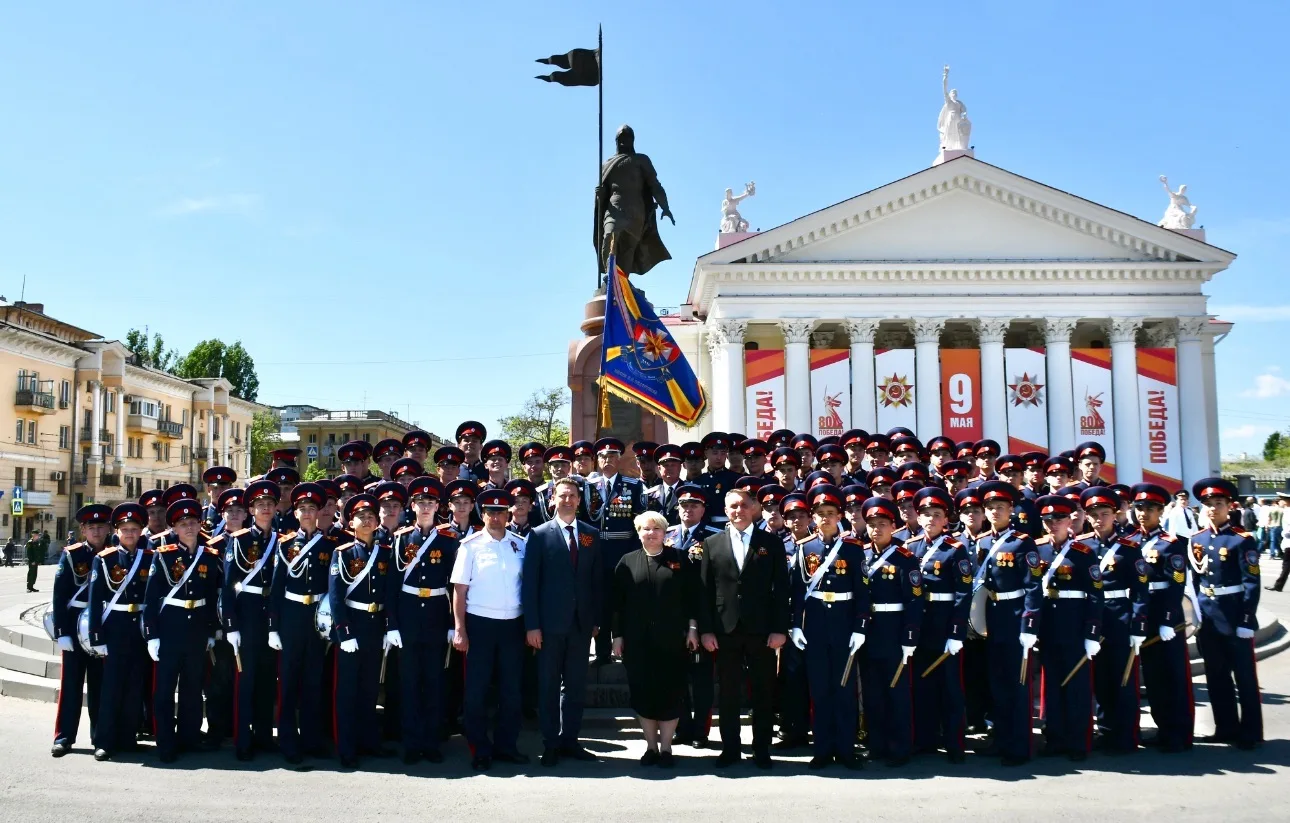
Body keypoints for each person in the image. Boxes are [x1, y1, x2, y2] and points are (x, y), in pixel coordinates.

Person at [698, 489, 789, 769]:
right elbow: (704, 592)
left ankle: (762, 749)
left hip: (761, 629)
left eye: (743, 506)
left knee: (762, 692)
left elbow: (781, 589)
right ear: (725, 511)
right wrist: (706, 630)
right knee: (728, 693)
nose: (738, 511)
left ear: (754, 508)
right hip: (725, 629)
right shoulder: (712, 544)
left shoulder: (771, 543)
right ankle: (731, 749)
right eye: (732, 507)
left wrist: (779, 628)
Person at [522, 476, 603, 766]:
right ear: (552, 500)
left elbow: (595, 582)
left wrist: (594, 621)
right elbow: (530, 584)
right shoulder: (540, 534)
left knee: (576, 686)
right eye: (562, 495)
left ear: (579, 500)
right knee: (548, 685)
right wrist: (532, 625)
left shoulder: (591, 534)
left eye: (572, 496)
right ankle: (551, 742)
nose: (567, 500)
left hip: (581, 626)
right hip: (548, 627)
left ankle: (571, 740)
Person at [612, 510, 702, 767]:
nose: (651, 533)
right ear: (638, 532)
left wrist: (693, 628)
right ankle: (650, 747)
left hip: (672, 639)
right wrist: (617, 636)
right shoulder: (627, 561)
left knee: (671, 692)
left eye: (656, 529)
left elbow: (692, 598)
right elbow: (617, 605)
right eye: (645, 529)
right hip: (637, 641)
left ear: (665, 532)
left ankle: (666, 749)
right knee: (643, 692)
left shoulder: (680, 559)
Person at [788, 485, 869, 770]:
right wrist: (796, 626)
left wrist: (860, 628)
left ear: (839, 517)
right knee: (820, 691)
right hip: (816, 628)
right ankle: (822, 749)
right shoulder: (804, 547)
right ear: (813, 517)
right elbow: (798, 592)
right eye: (820, 514)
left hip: (845, 626)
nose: (825, 518)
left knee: (844, 690)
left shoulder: (853, 549)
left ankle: (846, 749)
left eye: (830, 513)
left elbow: (862, 592)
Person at [451, 488, 529, 771]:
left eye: (501, 512)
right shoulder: (470, 545)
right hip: (480, 624)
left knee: (511, 690)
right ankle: (480, 748)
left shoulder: (520, 544)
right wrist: (460, 629)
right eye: (491, 512)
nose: (496, 517)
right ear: (481, 514)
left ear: (509, 514)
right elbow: (460, 589)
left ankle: (507, 746)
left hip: (513, 625)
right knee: (477, 691)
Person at [143, 498, 221, 763]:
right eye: (183, 524)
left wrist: (211, 630)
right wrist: (152, 634)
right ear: (174, 528)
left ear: (200, 525)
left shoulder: (209, 557)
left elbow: (211, 597)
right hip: (170, 629)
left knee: (192, 687)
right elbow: (151, 597)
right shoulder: (163, 556)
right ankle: (166, 741)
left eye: (193, 523)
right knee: (165, 689)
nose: (189, 527)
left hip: (197, 630)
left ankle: (188, 736)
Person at [387, 476, 458, 765]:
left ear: (438, 506)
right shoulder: (401, 539)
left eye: (430, 502)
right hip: (407, 616)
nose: (425, 506)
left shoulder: (449, 540)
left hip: (436, 617)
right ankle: (411, 742)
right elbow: (392, 584)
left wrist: (454, 623)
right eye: (420, 502)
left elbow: (455, 585)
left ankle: (431, 742)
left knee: (434, 681)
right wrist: (391, 624)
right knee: (409, 682)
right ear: (412, 506)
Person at [1190, 478, 1263, 750]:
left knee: (1244, 678)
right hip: (1209, 618)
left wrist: (1246, 618)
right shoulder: (1197, 539)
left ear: (1229, 506)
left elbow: (1252, 583)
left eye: (1217, 504)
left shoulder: (1241, 540)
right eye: (1207, 504)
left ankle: (1251, 731)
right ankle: (1225, 727)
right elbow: (1197, 581)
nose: (1212, 509)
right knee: (1216, 676)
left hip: (1234, 617)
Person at [976, 481, 1043, 766]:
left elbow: (1033, 587)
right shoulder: (983, 542)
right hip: (994, 617)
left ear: (1011, 510)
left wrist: (1029, 626)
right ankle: (1001, 739)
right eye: (990, 508)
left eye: (1000, 507)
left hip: (1015, 617)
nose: (994, 512)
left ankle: (1019, 746)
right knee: (998, 683)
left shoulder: (1022, 542)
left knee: (1017, 685)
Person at [268, 483, 335, 764]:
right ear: (295, 513)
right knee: (289, 682)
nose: (307, 513)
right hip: (292, 617)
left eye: (312, 509)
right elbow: (275, 588)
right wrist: (273, 627)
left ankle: (310, 738)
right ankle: (287, 739)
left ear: (319, 512)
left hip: (316, 619)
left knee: (313, 682)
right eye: (302, 509)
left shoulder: (331, 545)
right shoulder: (284, 545)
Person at [1034, 494, 1103, 762]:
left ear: (1070, 521)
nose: (1054, 524)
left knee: (1077, 686)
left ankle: (1078, 740)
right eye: (1048, 520)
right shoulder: (1037, 550)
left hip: (1075, 627)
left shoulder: (1084, 553)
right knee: (1051, 685)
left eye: (1060, 518)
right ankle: (1055, 737)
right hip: (1047, 627)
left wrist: (1092, 633)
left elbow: (1097, 594)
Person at [1127, 483, 1195, 753]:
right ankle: (1162, 727)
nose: (1143, 513)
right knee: (1153, 677)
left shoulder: (1171, 544)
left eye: (1150, 509)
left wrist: (1168, 619)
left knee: (1173, 676)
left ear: (1161, 511)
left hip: (1164, 615)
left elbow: (1177, 583)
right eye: (1139, 508)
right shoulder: (1131, 540)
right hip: (1142, 614)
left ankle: (1178, 733)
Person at [857, 495, 923, 767]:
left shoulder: (905, 558)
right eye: (872, 524)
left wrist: (910, 636)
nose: (876, 529)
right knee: (873, 694)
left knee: (896, 692)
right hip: (869, 631)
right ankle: (877, 745)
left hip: (895, 632)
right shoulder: (861, 553)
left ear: (893, 525)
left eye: (882, 523)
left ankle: (899, 747)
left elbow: (915, 599)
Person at [219, 478, 283, 761]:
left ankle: (264, 736)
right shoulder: (239, 540)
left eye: (269, 504)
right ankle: (243, 740)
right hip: (246, 614)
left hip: (271, 614)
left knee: (268, 679)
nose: (266, 509)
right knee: (246, 680)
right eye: (260, 505)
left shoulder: (282, 540)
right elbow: (227, 584)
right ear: (251, 510)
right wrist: (230, 624)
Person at [329, 492, 394, 768]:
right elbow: (335, 596)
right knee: (348, 690)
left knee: (369, 688)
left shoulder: (385, 553)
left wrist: (390, 626)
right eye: (360, 517)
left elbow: (390, 593)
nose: (366, 521)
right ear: (350, 522)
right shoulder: (343, 552)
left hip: (375, 625)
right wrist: (343, 632)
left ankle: (369, 741)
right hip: (352, 626)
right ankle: (347, 747)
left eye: (370, 516)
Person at [907, 487, 972, 763]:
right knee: (922, 685)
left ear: (946, 519)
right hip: (920, 625)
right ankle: (926, 739)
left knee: (951, 687)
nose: (931, 519)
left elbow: (963, 592)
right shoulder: (911, 548)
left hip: (945, 625)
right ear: (918, 518)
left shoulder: (956, 550)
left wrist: (957, 631)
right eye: (926, 514)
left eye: (937, 514)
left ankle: (955, 743)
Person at [1080, 486, 1146, 755]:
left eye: (1104, 513)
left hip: (1119, 617)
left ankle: (1127, 736)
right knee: (1101, 680)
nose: (1099, 519)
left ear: (1115, 514)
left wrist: (1138, 624)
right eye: (1094, 514)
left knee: (1124, 680)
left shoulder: (1129, 548)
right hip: (1091, 619)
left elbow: (1141, 589)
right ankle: (1106, 732)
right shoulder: (1082, 546)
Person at [85, 503, 152, 761]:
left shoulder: (149, 557)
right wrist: (96, 636)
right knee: (110, 688)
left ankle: (128, 737)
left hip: (138, 631)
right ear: (117, 531)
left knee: (135, 686)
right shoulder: (105, 559)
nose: (130, 534)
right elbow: (94, 600)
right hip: (114, 628)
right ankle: (105, 741)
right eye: (125, 530)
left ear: (141, 531)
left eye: (134, 529)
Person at [50, 505, 112, 757]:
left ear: (109, 528)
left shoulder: (114, 553)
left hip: (102, 625)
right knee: (71, 684)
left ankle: (100, 738)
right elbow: (59, 595)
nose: (96, 531)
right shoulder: (72, 555)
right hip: (75, 626)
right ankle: (64, 736)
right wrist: (61, 631)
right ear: (83, 530)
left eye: (101, 526)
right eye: (91, 527)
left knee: (100, 685)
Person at [668, 485, 720, 747]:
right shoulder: (666, 535)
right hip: (672, 618)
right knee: (676, 676)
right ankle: (682, 728)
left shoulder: (714, 537)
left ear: (703, 509)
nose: (688, 510)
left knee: (701, 679)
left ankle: (700, 730)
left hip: (702, 617)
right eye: (684, 505)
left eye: (694, 505)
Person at [591, 437, 646, 664]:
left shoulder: (633, 485)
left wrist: (635, 555)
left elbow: (640, 521)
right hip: (598, 554)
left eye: (612, 456)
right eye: (603, 456)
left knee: (624, 603)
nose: (607, 460)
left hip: (624, 552)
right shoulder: (588, 486)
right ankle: (603, 653)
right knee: (602, 604)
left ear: (619, 459)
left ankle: (628, 649)